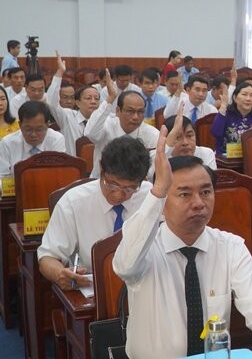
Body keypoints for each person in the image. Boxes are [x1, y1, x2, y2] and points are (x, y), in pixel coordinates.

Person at [113, 130, 252, 358]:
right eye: (185, 195)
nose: (199, 203)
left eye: (206, 192)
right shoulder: (145, 247)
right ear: (162, 201)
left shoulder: (230, 246)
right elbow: (124, 266)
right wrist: (157, 190)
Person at [38, 136, 152, 289]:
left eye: (129, 189)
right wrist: (61, 274)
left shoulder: (151, 197)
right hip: (94, 289)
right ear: (101, 169)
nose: (118, 195)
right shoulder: (73, 202)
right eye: (112, 185)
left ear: (142, 180)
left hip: (143, 284)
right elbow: (48, 257)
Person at [85, 79, 159, 178]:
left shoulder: (152, 135)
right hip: (100, 183)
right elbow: (90, 133)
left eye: (140, 112)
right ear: (118, 111)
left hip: (136, 187)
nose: (135, 117)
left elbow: (152, 171)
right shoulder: (107, 125)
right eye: (130, 111)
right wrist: (110, 98)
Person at [46, 52, 100, 155]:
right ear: (78, 103)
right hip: (73, 168)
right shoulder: (68, 117)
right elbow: (51, 103)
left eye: (96, 99)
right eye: (88, 98)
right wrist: (60, 72)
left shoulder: (102, 121)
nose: (93, 101)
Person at [147, 106, 216, 181]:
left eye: (190, 136)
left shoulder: (206, 153)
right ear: (167, 139)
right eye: (177, 137)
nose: (185, 143)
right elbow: (151, 177)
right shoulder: (156, 156)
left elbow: (211, 182)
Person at [0, 101, 66, 176]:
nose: (33, 134)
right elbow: (2, 176)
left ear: (47, 125)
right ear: (20, 125)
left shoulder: (56, 139)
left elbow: (58, 172)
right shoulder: (7, 143)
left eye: (39, 130)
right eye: (28, 129)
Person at [210, 82, 252, 155]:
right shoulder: (225, 115)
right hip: (224, 161)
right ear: (235, 98)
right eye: (244, 94)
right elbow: (215, 132)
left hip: (249, 160)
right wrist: (223, 106)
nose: (248, 99)